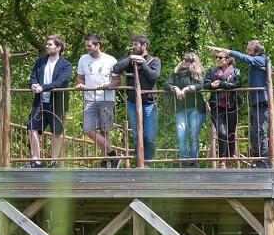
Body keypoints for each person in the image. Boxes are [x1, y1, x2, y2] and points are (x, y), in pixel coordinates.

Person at [210, 40, 268, 167]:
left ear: (256, 51)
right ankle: (256, 161)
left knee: (261, 132)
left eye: (249, 49)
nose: (247, 51)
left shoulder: (261, 59)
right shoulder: (255, 62)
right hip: (254, 102)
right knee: (254, 133)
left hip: (262, 101)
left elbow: (243, 61)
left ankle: (263, 162)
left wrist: (227, 51)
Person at [112, 35, 161, 165]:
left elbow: (153, 77)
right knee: (136, 135)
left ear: (144, 46)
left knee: (149, 136)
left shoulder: (154, 60)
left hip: (149, 104)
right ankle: (140, 162)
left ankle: (148, 162)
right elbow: (116, 68)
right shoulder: (130, 60)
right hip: (133, 103)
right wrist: (130, 58)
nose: (133, 47)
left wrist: (142, 63)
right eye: (132, 44)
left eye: (135, 45)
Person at [25, 35, 72, 168]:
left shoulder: (66, 64)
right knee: (32, 127)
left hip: (57, 103)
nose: (47, 46)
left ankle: (54, 161)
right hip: (40, 102)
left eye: (50, 44)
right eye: (47, 44)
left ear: (58, 48)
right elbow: (33, 77)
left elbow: (60, 82)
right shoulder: (40, 61)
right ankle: (36, 160)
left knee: (57, 132)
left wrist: (42, 87)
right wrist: (33, 85)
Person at [76, 34, 119, 167]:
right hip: (89, 99)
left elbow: (117, 81)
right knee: (88, 129)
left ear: (97, 45)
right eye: (86, 45)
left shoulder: (111, 60)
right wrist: (80, 84)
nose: (87, 48)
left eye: (89, 46)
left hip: (106, 99)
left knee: (104, 131)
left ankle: (105, 161)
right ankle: (113, 154)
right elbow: (80, 77)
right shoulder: (83, 59)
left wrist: (108, 86)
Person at [164, 53, 207, 167]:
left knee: (193, 135)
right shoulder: (176, 73)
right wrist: (175, 88)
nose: (184, 62)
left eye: (187, 60)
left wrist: (188, 88)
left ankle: (193, 162)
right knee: (181, 134)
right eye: (183, 59)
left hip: (196, 108)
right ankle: (184, 160)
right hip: (180, 109)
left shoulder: (198, 73)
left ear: (192, 63)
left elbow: (202, 85)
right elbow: (167, 84)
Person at [203, 51, 241, 168]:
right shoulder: (212, 71)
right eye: (216, 57)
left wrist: (221, 84)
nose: (218, 59)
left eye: (220, 57)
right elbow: (205, 84)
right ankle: (222, 161)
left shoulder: (235, 71)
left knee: (230, 134)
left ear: (228, 59)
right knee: (222, 133)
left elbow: (238, 84)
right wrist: (211, 86)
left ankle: (229, 159)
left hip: (231, 105)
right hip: (216, 106)